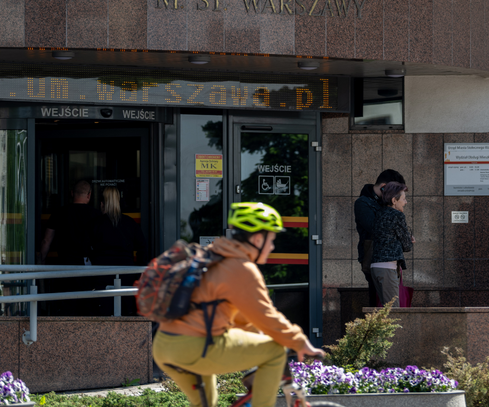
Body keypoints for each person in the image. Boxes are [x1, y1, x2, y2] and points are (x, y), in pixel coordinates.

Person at [152, 202, 324, 407]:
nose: (272, 247)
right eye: (272, 240)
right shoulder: (241, 268)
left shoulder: (213, 256)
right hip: (197, 345)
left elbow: (244, 320)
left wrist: (259, 345)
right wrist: (299, 341)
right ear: (258, 239)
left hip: (165, 346)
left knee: (206, 403)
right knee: (276, 351)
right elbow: (266, 315)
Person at [38, 180, 98, 315]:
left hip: (63, 264)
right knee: (86, 304)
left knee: (66, 304)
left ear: (71, 193)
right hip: (87, 265)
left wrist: (41, 261)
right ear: (89, 195)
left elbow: (46, 240)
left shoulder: (59, 213)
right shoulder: (96, 215)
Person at [92, 186, 147, 315]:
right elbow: (143, 247)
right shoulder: (130, 223)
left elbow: (88, 248)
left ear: (102, 204)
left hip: (102, 274)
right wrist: (138, 272)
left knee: (103, 313)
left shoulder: (96, 224)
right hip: (126, 273)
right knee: (126, 312)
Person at [354, 169, 405, 306]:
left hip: (391, 259)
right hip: (373, 256)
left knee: (387, 300)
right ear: (383, 187)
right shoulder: (363, 203)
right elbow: (375, 229)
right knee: (379, 301)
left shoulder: (384, 204)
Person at [370, 182, 414, 307]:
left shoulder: (379, 213)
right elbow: (407, 246)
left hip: (376, 266)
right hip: (387, 268)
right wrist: (410, 240)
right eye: (404, 199)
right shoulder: (397, 215)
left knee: (385, 310)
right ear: (394, 200)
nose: (405, 202)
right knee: (393, 311)